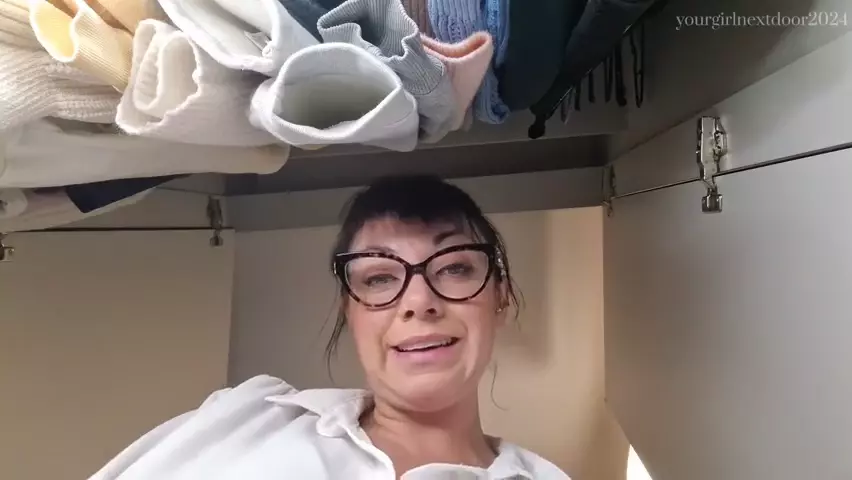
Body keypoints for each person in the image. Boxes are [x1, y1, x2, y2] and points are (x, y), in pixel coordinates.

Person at [88, 175, 571, 479]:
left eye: (454, 268)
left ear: (500, 297)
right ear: (350, 310)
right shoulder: (247, 416)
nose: (419, 302)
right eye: (379, 278)